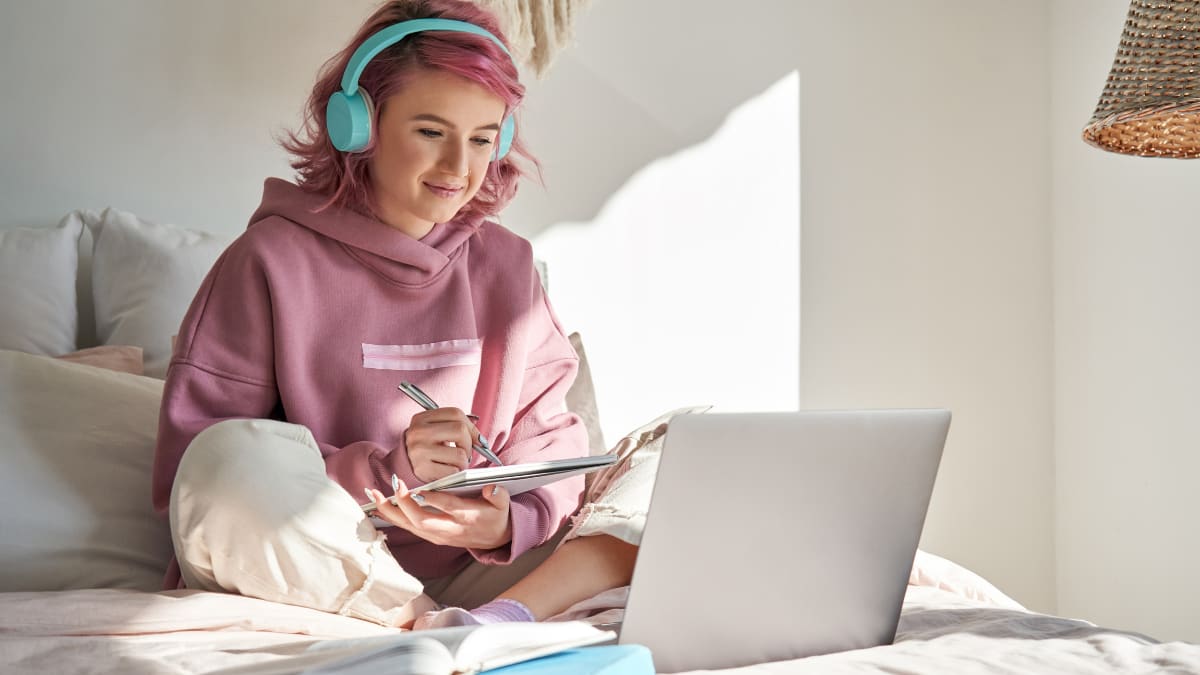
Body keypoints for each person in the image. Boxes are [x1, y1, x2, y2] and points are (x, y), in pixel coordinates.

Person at [151, 0, 645, 629]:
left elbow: (552, 439)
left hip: (480, 574)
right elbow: (195, 478)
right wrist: (391, 474)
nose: (459, 168)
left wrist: (506, 522)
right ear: (359, 126)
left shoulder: (510, 266)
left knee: (669, 453)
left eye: (482, 139)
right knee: (225, 462)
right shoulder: (266, 262)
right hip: (317, 567)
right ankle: (422, 624)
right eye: (432, 132)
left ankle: (495, 623)